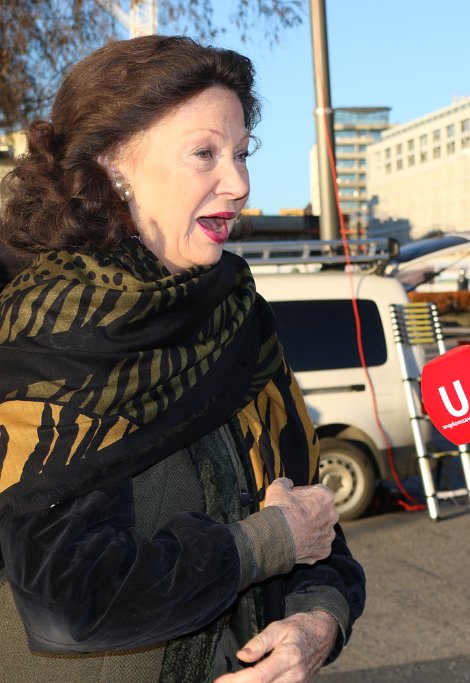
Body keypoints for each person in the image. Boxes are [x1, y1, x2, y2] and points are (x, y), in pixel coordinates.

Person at [0, 36, 365, 682]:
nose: (241, 184)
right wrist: (266, 543)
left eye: (243, 153)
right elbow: (70, 598)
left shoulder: (238, 318)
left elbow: (310, 517)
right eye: (206, 154)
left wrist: (318, 619)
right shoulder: (45, 337)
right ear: (112, 162)